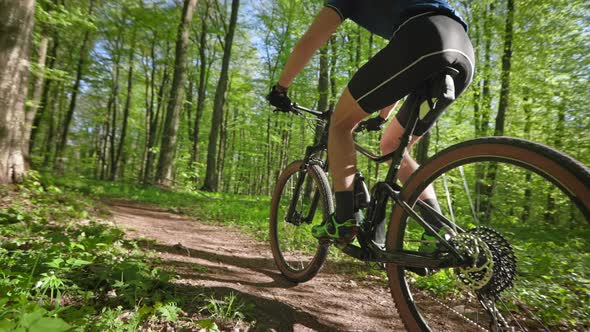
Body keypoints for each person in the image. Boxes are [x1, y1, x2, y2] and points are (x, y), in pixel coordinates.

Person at [267, 0, 474, 249]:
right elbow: (402, 74)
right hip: (463, 52)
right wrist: (384, 116)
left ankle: (343, 220)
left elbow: (312, 38)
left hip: (422, 36)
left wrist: (281, 88)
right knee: (392, 145)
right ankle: (438, 228)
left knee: (340, 124)